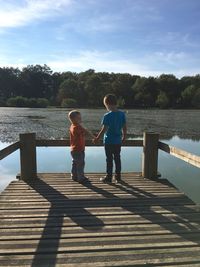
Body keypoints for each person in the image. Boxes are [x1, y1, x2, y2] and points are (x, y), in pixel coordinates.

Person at [94, 94, 127, 183]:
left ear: (108, 104)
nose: (106, 107)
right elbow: (124, 127)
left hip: (109, 141)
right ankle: (118, 177)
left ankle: (108, 177)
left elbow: (104, 129)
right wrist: (124, 136)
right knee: (117, 158)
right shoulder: (122, 114)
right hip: (118, 141)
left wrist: (97, 138)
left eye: (105, 105)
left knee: (109, 160)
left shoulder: (107, 116)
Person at [68, 110, 94, 183]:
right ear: (73, 119)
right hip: (78, 149)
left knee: (75, 163)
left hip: (74, 149)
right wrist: (94, 137)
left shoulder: (72, 126)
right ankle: (81, 178)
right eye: (78, 118)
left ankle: (74, 176)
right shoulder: (77, 127)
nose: (80, 119)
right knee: (80, 164)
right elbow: (85, 133)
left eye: (80, 118)